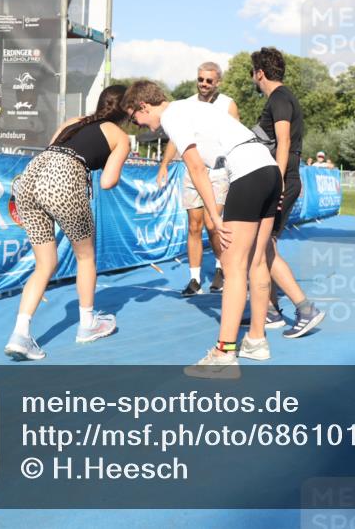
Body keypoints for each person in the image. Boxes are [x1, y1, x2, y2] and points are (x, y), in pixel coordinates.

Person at [124, 79, 281, 377]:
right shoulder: (192, 106)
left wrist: (214, 214)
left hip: (247, 172)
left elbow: (195, 167)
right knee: (257, 260)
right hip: (269, 169)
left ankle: (224, 353)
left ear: (143, 106)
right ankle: (257, 341)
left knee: (233, 268)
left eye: (136, 119)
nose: (140, 126)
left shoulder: (171, 115)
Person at [3, 84, 131, 361]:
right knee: (85, 257)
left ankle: (20, 334)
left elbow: (51, 151)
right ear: (127, 110)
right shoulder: (120, 136)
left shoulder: (74, 121)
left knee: (44, 264)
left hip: (29, 180)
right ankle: (87, 324)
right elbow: (108, 182)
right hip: (64, 181)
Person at [251, 47, 325, 338]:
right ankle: (270, 311)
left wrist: (276, 182)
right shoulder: (283, 97)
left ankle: (305, 309)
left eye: (253, 75)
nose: (254, 80)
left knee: (263, 248)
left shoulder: (279, 98)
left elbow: (282, 142)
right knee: (266, 245)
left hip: (282, 179)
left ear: (260, 73)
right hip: (284, 176)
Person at [157, 62, 239, 297]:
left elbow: (237, 136)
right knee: (194, 225)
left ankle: (221, 269)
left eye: (209, 81)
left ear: (218, 82)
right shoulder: (186, 106)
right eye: (201, 79)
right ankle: (194, 279)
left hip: (219, 171)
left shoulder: (228, 105)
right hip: (193, 170)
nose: (204, 84)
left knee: (213, 224)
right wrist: (164, 165)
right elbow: (176, 138)